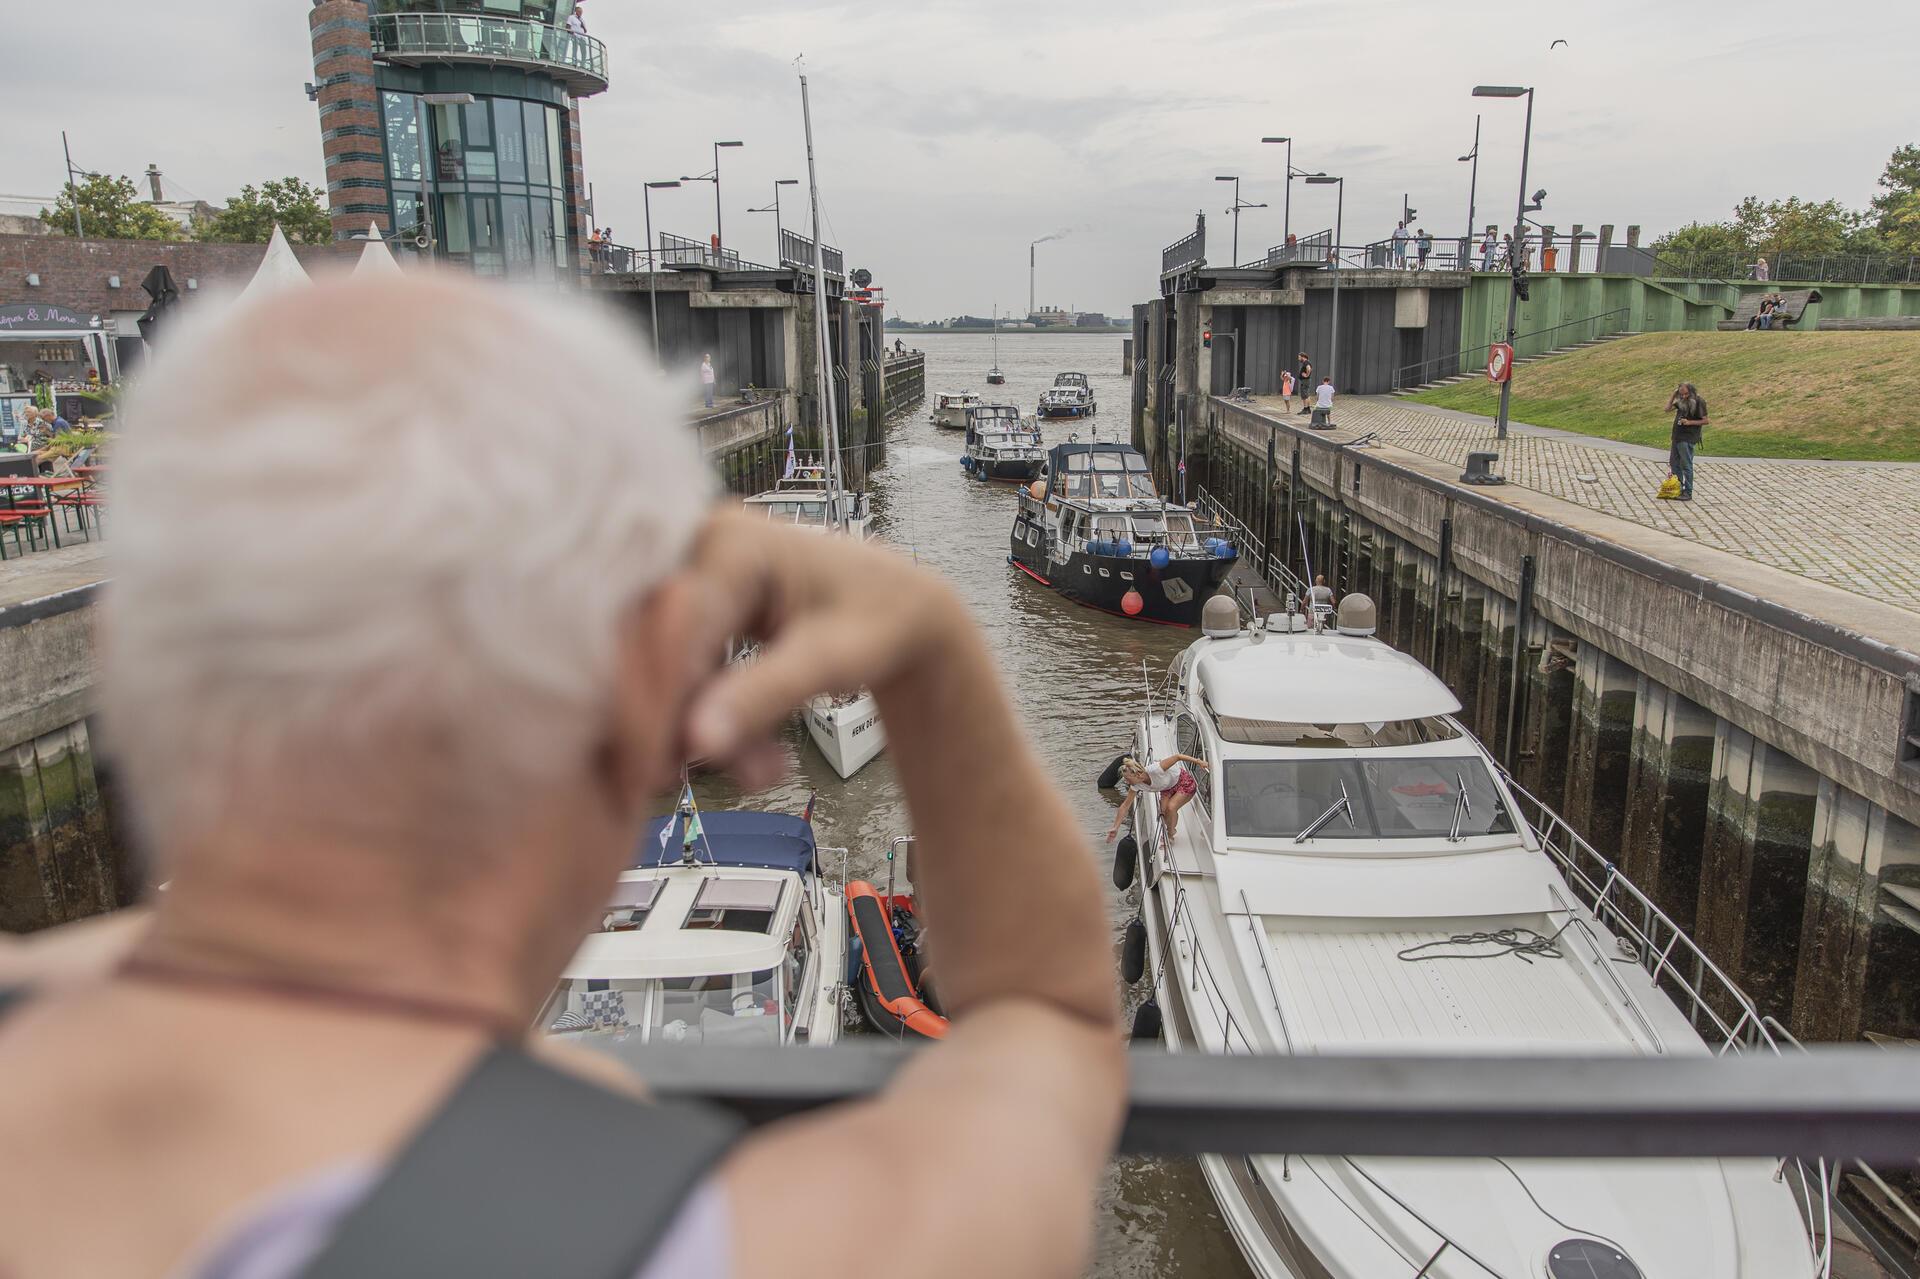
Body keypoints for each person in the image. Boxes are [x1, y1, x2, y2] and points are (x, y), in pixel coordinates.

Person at [0, 274, 1124, 1279]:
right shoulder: (722, 1241)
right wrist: (930, 649)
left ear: (121, 658)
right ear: (650, 686)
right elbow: (1050, 1029)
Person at [1106, 754, 1210, 841]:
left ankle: (1170, 835)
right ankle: (1172, 830)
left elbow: (1178, 757)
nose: (1127, 782)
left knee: (1171, 807)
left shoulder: (1156, 769)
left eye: (1128, 779)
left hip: (1183, 782)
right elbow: (1125, 806)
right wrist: (1116, 827)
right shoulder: (1135, 785)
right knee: (1163, 814)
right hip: (1166, 788)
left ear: (1138, 774)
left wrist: (1199, 762)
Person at [1665, 381, 1708, 501]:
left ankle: (1688, 492)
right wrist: (1673, 395)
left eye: (1686, 394)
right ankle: (1677, 488)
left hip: (1688, 437)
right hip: (1677, 436)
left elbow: (1705, 420)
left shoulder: (1699, 402)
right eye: (1681, 394)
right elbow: (1667, 409)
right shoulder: (1680, 401)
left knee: (1686, 465)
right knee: (1674, 464)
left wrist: (1689, 422)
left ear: (1692, 392)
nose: (1684, 396)